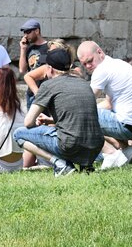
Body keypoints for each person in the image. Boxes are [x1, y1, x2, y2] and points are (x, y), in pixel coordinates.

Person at [14, 48, 104, 176]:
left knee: (18, 134)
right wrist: (51, 121)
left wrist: (41, 126)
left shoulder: (48, 85)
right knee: (72, 136)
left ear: (49, 68)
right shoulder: (84, 83)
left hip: (70, 145)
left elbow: (28, 122)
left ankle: (60, 164)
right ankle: (86, 166)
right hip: (96, 145)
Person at [77, 41, 132, 170]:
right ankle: (127, 150)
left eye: (90, 61)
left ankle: (111, 154)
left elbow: (86, 103)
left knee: (82, 116)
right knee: (94, 114)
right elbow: (108, 104)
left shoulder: (102, 70)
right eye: (84, 64)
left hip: (128, 126)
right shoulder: (118, 64)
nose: (88, 66)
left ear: (99, 52)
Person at [18, 18, 48, 109]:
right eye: (24, 32)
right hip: (31, 93)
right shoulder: (29, 49)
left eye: (28, 32)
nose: (25, 35)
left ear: (37, 31)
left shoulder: (49, 47)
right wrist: (23, 49)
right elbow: (22, 70)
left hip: (45, 92)